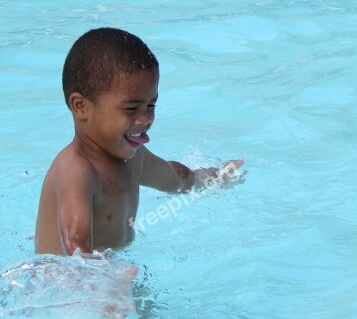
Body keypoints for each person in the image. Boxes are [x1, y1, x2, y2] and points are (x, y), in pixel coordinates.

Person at [35, 27, 244, 256]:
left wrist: (213, 177)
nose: (145, 118)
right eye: (131, 108)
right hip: (63, 279)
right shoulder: (75, 169)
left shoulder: (135, 158)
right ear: (81, 107)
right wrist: (99, 280)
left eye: (150, 106)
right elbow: (75, 239)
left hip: (109, 269)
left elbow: (179, 179)